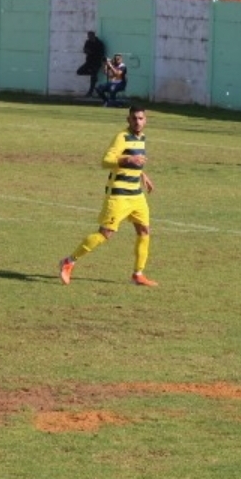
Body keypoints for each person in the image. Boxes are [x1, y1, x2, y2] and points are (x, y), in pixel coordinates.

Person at [59, 105, 158, 287]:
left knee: (144, 231)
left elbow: (136, 161)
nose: (137, 122)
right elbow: (106, 161)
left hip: (137, 194)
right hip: (119, 195)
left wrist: (143, 175)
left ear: (146, 120)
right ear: (128, 120)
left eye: (141, 118)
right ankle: (69, 261)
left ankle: (138, 274)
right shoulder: (122, 137)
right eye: (134, 118)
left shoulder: (141, 137)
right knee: (105, 233)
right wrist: (126, 159)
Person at [76, 31, 106, 97]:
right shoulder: (88, 42)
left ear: (93, 36)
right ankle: (92, 73)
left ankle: (90, 92)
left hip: (96, 63)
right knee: (79, 71)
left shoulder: (99, 43)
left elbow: (102, 54)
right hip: (89, 62)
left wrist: (103, 64)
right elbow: (85, 50)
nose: (89, 37)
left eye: (90, 36)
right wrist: (87, 51)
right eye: (88, 36)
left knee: (93, 77)